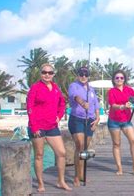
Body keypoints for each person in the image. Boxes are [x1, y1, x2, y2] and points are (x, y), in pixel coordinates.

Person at [27, 63, 71, 192]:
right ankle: (41, 184)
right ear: (40, 73)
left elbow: (62, 103)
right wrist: (34, 127)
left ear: (53, 74)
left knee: (61, 153)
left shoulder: (56, 88)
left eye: (50, 73)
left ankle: (60, 181)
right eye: (44, 72)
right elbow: (29, 107)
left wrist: (59, 116)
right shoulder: (35, 88)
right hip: (37, 127)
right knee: (39, 155)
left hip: (52, 126)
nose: (47, 74)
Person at [68, 67, 100, 186]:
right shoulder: (73, 85)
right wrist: (82, 103)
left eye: (86, 74)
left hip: (90, 120)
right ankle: (77, 176)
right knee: (80, 146)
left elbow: (96, 105)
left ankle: (82, 175)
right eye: (81, 74)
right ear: (78, 75)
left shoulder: (91, 89)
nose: (84, 76)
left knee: (85, 148)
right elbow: (75, 97)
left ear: (89, 76)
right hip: (77, 119)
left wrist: (97, 118)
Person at [107, 70, 134, 176]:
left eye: (121, 78)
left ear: (124, 79)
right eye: (117, 78)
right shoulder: (111, 91)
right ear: (113, 80)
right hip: (114, 120)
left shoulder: (129, 89)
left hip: (126, 120)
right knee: (116, 144)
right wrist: (122, 106)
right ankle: (119, 168)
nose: (119, 79)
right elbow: (113, 105)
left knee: (133, 141)